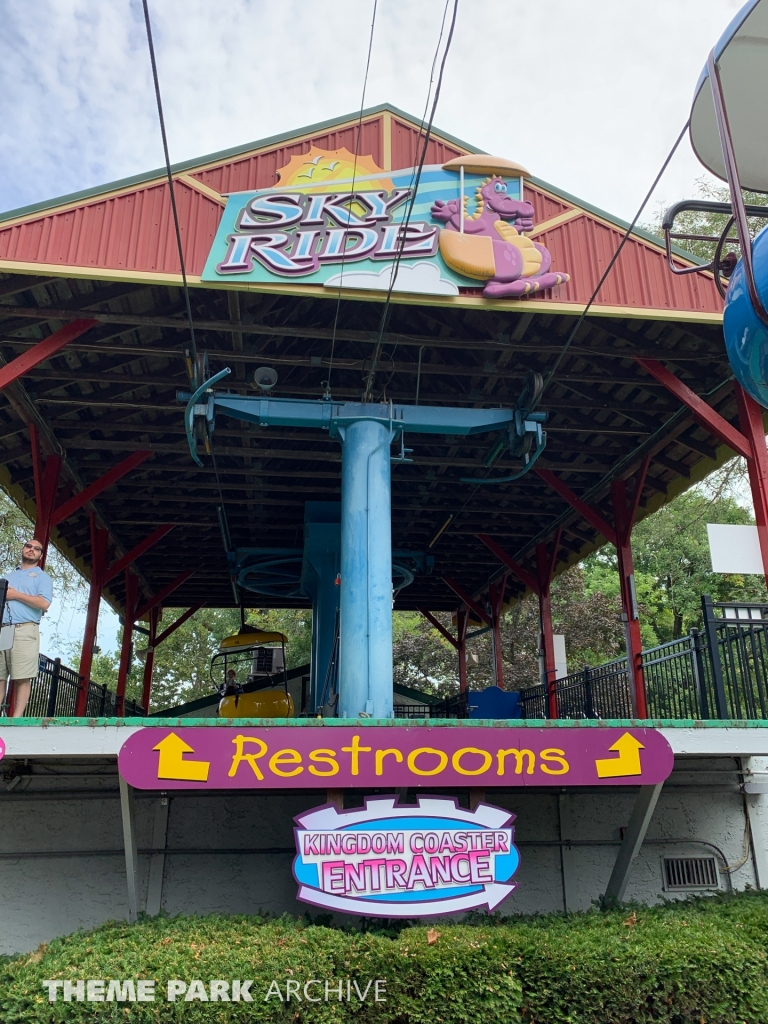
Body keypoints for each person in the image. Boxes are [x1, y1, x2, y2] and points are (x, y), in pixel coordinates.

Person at [0, 539, 52, 717]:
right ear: (23, 549)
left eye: (36, 549)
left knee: (22, 677)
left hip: (25, 629)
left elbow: (43, 603)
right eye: (29, 546)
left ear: (40, 555)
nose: (31, 550)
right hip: (3, 629)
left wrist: (15, 595)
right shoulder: (7, 577)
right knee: (0, 676)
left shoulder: (43, 578)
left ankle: (16, 719)